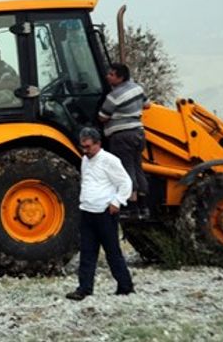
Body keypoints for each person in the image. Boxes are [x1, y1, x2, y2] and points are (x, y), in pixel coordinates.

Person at [66, 127, 134, 301]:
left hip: (105, 213)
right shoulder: (85, 161)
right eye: (83, 147)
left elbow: (125, 182)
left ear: (98, 144)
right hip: (87, 211)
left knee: (112, 252)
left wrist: (117, 201)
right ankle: (84, 288)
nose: (85, 150)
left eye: (88, 146)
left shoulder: (110, 160)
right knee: (87, 253)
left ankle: (125, 286)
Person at [98, 63, 150, 218]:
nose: (108, 76)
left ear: (120, 77)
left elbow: (102, 116)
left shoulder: (113, 96)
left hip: (122, 136)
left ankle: (130, 208)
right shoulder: (137, 88)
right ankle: (144, 207)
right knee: (137, 168)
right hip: (139, 134)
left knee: (126, 171)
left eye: (111, 74)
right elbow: (147, 105)